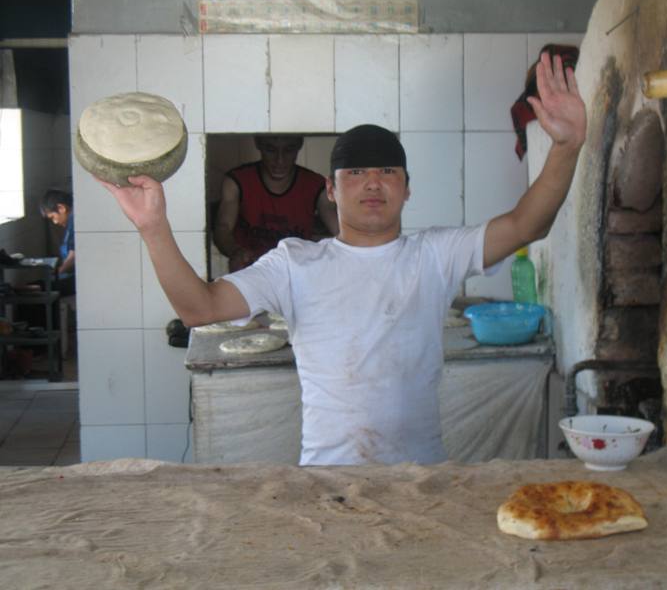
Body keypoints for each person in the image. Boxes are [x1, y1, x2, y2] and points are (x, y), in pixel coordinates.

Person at [100, 53, 586, 466]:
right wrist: (153, 227)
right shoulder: (294, 263)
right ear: (331, 190)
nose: (372, 183)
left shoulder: (435, 255)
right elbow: (199, 309)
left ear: (407, 188)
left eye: (387, 171)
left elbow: (527, 225)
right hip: (326, 482)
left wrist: (566, 146)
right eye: (355, 172)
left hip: (421, 480)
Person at [213, 134, 339, 272]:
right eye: (271, 150)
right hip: (250, 274)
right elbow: (223, 228)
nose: (280, 160)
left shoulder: (316, 186)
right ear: (258, 144)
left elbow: (340, 231)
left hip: (297, 276)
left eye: (288, 150)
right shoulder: (237, 181)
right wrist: (236, 252)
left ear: (299, 146)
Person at [39, 189, 76, 297]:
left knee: (37, 288)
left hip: (78, 279)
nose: (55, 222)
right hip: (71, 276)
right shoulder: (70, 223)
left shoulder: (75, 222)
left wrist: (57, 272)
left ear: (61, 208)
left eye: (53, 217)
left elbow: (74, 257)